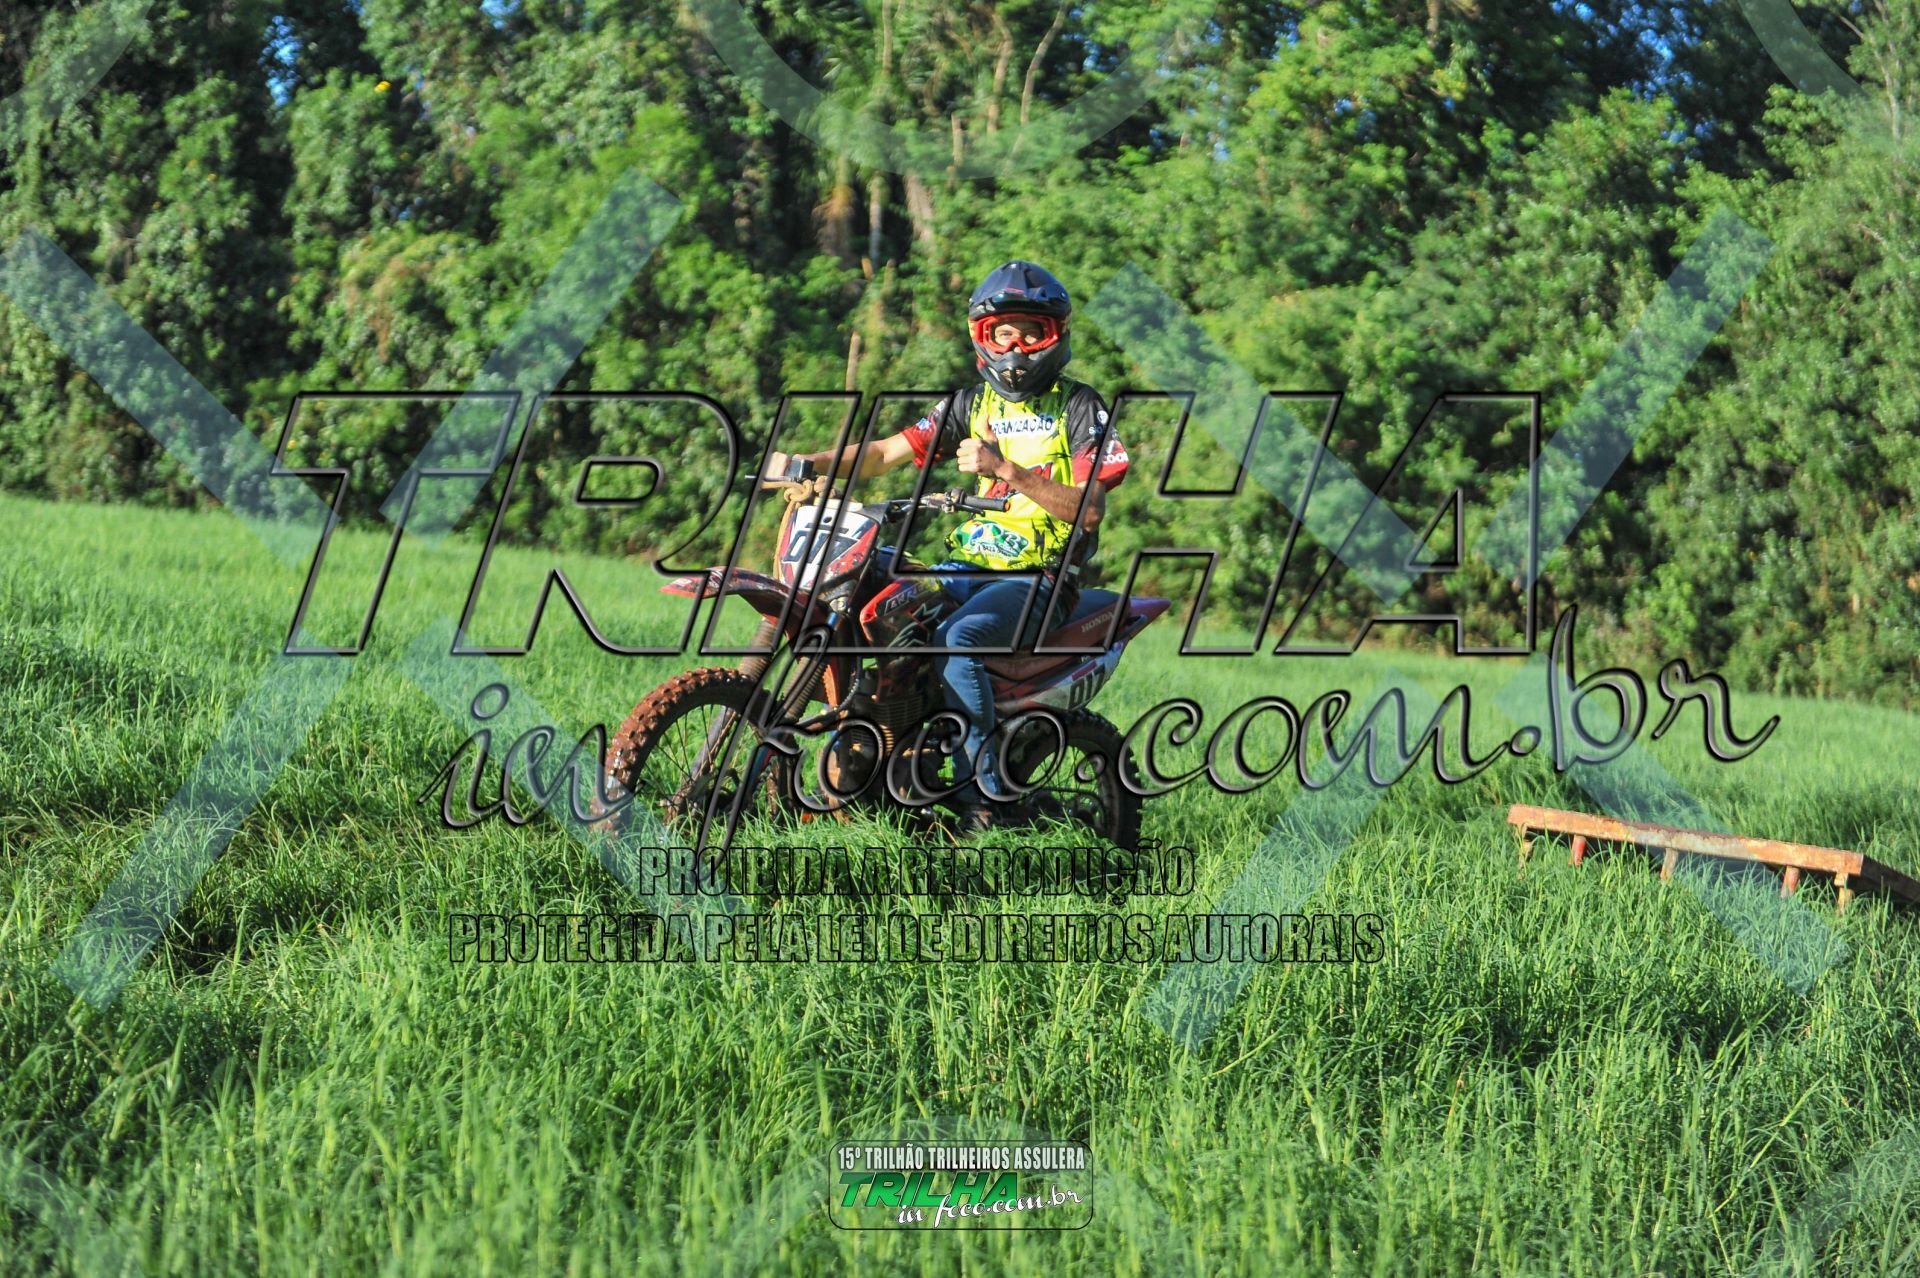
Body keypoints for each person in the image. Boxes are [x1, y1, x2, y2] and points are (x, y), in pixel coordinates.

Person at [765, 260, 1130, 830]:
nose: (1015, 348)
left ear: (1054, 336)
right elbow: (885, 452)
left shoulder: (1082, 407)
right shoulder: (971, 404)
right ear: (982, 337)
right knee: (873, 599)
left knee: (956, 642)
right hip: (964, 565)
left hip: (1040, 577)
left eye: (1030, 333)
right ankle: (875, 757)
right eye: (1002, 333)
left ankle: (983, 793)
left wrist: (1005, 469)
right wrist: (807, 463)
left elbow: (1090, 510)